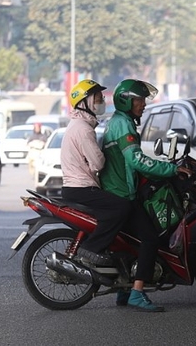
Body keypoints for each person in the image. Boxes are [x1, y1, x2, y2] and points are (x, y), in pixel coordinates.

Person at [100, 79, 191, 312]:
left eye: (143, 100)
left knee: (130, 242)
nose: (143, 104)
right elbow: (135, 159)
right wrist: (170, 169)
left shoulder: (122, 122)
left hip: (120, 190)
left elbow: (132, 162)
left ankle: (124, 290)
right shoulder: (122, 124)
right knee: (149, 239)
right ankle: (137, 293)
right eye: (139, 100)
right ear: (126, 101)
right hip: (121, 193)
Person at [60, 79, 131, 268]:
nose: (102, 102)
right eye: (98, 98)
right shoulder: (83, 129)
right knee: (122, 207)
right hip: (81, 188)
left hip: (75, 187)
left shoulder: (79, 125)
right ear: (86, 103)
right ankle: (92, 248)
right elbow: (98, 163)